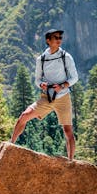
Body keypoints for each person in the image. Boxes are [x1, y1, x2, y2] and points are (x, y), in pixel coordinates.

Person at [10, 28, 79, 159]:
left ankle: (71, 162)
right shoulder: (41, 59)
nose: (59, 40)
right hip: (46, 97)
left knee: (68, 131)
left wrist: (63, 86)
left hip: (63, 97)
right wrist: (41, 84)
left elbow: (74, 77)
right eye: (56, 37)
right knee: (24, 116)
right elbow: (37, 79)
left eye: (60, 37)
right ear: (48, 40)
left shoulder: (66, 57)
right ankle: (10, 144)